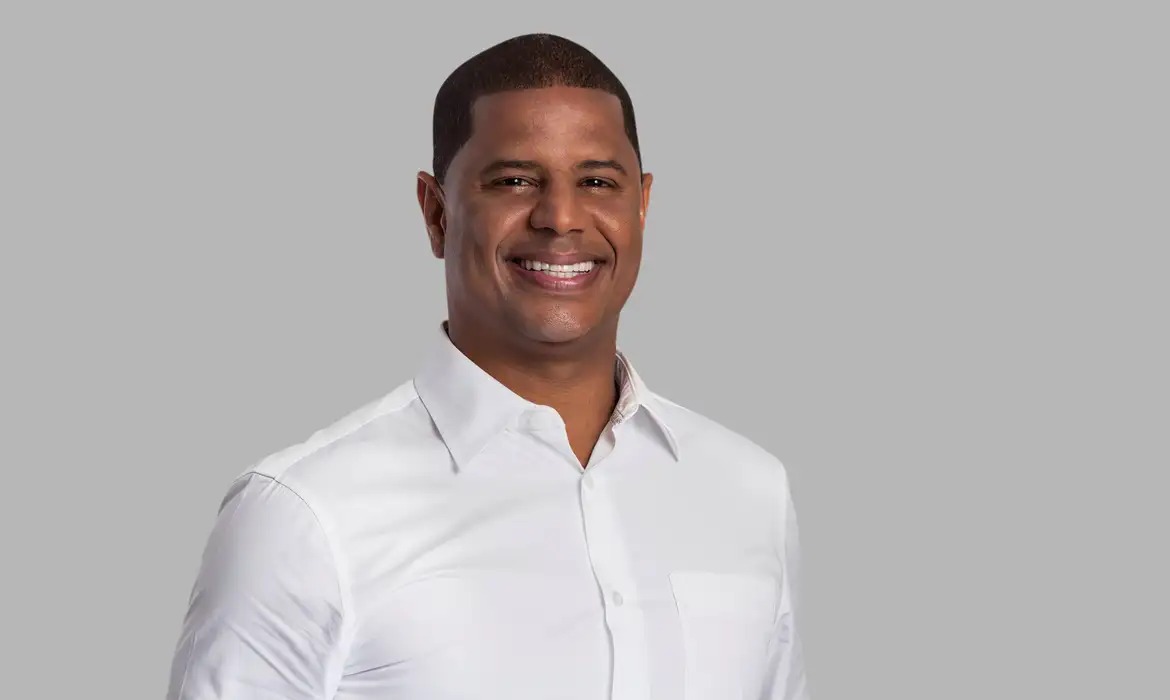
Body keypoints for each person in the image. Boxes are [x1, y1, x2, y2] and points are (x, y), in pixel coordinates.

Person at [166, 32, 810, 700]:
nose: (560, 218)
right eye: (514, 181)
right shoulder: (304, 518)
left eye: (597, 182)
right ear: (436, 213)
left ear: (641, 205)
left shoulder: (750, 492)